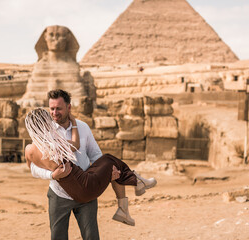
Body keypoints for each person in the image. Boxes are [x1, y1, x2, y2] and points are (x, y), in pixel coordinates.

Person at [25, 91, 157, 233]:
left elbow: (95, 155)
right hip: (60, 194)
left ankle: (131, 193)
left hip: (86, 186)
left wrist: (106, 172)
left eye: (58, 108)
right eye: (51, 109)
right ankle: (135, 185)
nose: (54, 113)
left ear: (68, 108)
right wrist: (52, 175)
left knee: (91, 236)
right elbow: (34, 169)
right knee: (110, 159)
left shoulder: (81, 128)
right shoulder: (50, 140)